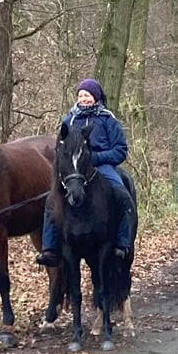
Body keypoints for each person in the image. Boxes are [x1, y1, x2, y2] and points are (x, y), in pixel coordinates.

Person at [36, 78, 134, 267]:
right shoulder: (69, 120)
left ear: (95, 97)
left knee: (123, 196)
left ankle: (122, 242)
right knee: (51, 201)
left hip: (101, 166)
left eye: (87, 95)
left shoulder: (107, 119)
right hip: (74, 170)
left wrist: (94, 158)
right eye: (80, 95)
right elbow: (60, 150)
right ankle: (50, 248)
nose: (83, 99)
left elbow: (120, 150)